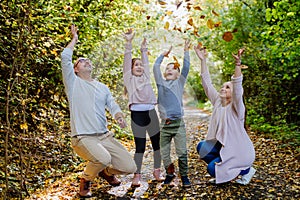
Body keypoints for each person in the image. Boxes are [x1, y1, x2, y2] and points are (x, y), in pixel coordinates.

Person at [61, 24, 137, 198]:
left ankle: (107, 173)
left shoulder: (102, 87)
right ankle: (86, 180)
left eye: (88, 60)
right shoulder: (73, 83)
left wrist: (118, 115)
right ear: (75, 69)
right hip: (83, 137)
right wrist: (74, 40)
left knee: (129, 167)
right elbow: (65, 57)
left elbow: (112, 104)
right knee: (102, 158)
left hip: (104, 136)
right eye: (81, 61)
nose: (86, 61)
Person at [194, 44, 256, 185]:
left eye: (227, 87)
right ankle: (226, 170)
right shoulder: (217, 102)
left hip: (241, 153)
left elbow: (238, 87)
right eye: (222, 86)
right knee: (202, 147)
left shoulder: (237, 108)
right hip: (225, 148)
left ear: (233, 94)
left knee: (212, 169)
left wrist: (238, 64)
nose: (223, 88)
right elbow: (207, 84)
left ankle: (246, 170)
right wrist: (203, 60)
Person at [123, 29, 164, 187]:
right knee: (140, 146)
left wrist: (144, 49)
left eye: (141, 64)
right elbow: (127, 61)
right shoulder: (129, 79)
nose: (139, 67)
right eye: (136, 65)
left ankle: (157, 171)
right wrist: (129, 43)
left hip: (151, 113)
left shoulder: (146, 76)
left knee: (156, 144)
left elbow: (146, 63)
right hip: (137, 115)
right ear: (131, 69)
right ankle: (137, 175)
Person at [153, 40, 192, 188]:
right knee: (164, 152)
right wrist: (163, 55)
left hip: (178, 123)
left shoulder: (179, 83)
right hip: (165, 124)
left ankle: (184, 175)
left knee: (182, 151)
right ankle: (169, 173)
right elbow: (156, 67)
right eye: (168, 68)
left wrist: (186, 50)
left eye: (173, 68)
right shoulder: (160, 83)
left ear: (177, 74)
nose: (170, 70)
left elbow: (186, 67)